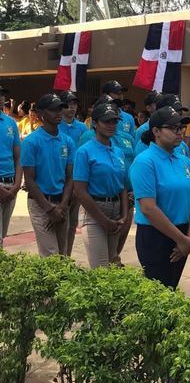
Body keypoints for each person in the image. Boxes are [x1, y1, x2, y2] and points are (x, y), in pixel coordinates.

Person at [130, 106, 190, 288]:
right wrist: (181, 239)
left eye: (181, 128)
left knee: (171, 288)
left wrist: (189, 239)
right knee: (157, 292)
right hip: (156, 235)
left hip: (183, 233)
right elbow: (148, 208)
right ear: (156, 131)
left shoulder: (184, 161)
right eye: (173, 128)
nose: (179, 132)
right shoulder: (145, 161)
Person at [73, 103, 129, 268]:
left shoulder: (117, 151)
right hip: (94, 210)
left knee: (112, 263)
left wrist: (124, 215)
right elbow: (80, 191)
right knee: (101, 267)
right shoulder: (85, 151)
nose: (111, 126)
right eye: (106, 122)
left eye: (114, 121)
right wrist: (103, 220)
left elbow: (123, 186)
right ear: (95, 123)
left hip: (116, 210)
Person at [21, 94, 75, 257]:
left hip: (61, 203)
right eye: (53, 110)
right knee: (50, 254)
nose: (58, 113)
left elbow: (70, 177)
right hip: (40, 204)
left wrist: (63, 206)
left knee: (62, 255)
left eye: (60, 108)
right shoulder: (32, 142)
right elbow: (29, 180)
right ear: (41, 113)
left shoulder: (67, 141)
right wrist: (49, 209)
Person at [58, 91, 88, 256]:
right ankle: (58, 257)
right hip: (59, 180)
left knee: (72, 223)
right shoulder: (56, 126)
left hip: (77, 181)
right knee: (60, 221)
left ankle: (66, 257)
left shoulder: (82, 128)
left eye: (74, 104)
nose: (71, 108)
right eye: (67, 105)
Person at [0, 86, 22, 246]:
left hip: (10, 184)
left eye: (2, 94)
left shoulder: (10, 122)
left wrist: (16, 185)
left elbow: (18, 156)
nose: (1, 97)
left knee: (3, 235)